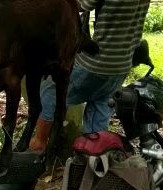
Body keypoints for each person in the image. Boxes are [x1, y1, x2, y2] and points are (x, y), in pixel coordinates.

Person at [29, 0, 151, 152]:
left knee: (50, 89)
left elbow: (78, 5)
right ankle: (93, 160)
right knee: (98, 111)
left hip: (96, 64)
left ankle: (39, 144)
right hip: (121, 64)